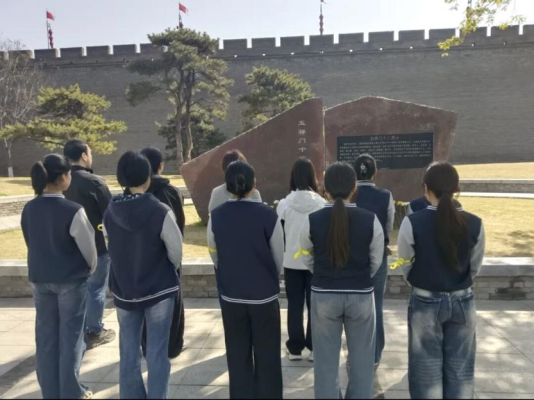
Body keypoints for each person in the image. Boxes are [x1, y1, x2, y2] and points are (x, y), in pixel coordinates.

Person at [397, 162, 485, 399]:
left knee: (426, 372)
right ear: (457, 189)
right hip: (463, 300)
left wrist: (419, 282)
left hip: (425, 300)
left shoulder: (413, 222)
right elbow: (474, 266)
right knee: (461, 371)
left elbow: (405, 262)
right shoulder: (475, 223)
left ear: (425, 188)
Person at [299, 162, 384, 399]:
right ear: (354, 187)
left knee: (325, 365)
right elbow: (375, 261)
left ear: (324, 189)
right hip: (361, 294)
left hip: (324, 294)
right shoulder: (370, 220)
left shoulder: (311, 220)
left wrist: (322, 272)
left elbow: (307, 257)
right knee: (363, 364)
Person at [103, 151, 183, 399]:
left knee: (128, 353)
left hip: (125, 290)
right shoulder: (160, 210)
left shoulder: (110, 211)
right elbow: (176, 252)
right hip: (159, 289)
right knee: (157, 353)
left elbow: (110, 246)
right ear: (148, 177)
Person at [21, 154, 97, 399]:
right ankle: (71, 391)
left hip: (40, 278)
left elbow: (30, 241)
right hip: (70, 280)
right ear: (63, 177)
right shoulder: (73, 210)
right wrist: (90, 269)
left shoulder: (29, 208)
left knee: (46, 337)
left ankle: (50, 392)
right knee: (71, 337)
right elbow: (89, 250)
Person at [207, 160, 284, 399]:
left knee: (237, 355)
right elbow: (278, 258)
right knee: (268, 355)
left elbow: (214, 253)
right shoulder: (268, 215)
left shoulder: (216, 216)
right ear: (254, 184)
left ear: (227, 186)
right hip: (264, 296)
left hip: (232, 296)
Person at [127, 146, 186, 358]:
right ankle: (173, 346)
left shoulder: (128, 195)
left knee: (142, 305)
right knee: (172, 304)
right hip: (167, 259)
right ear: (160, 165)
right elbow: (179, 227)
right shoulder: (170, 192)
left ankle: (146, 345)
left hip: (137, 260)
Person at [63, 139, 116, 349]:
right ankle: (94, 331)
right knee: (95, 289)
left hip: (68, 247)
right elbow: (110, 215)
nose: (91, 156)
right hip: (96, 246)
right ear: (84, 156)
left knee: (74, 290)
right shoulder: (95, 182)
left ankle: (76, 330)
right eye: (90, 152)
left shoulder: (60, 181)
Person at [277, 157, 326, 362]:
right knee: (315, 306)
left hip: (291, 262)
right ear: (312, 176)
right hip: (314, 263)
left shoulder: (284, 205)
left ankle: (295, 348)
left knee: (294, 305)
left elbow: (280, 236)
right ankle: (314, 348)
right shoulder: (321, 204)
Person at [353, 154, 395, 368]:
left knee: (354, 306)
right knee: (375, 304)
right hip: (379, 254)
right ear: (375, 172)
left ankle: (357, 351)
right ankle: (375, 353)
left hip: (354, 255)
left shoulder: (350, 195)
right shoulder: (385, 195)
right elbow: (388, 226)